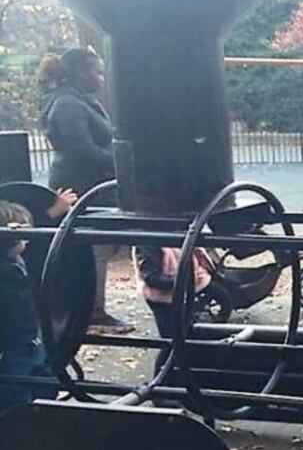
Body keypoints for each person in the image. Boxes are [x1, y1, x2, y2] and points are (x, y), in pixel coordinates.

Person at [38, 47, 133, 334]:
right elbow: (80, 149)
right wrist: (122, 164)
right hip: (80, 186)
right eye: (97, 71)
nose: (101, 78)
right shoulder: (68, 104)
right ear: (80, 72)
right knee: (95, 249)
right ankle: (92, 312)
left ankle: (91, 308)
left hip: (91, 184)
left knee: (98, 247)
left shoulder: (78, 100)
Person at [0, 198, 74, 411]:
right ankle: (16, 420)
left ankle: (42, 411)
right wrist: (7, 236)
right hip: (12, 343)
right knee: (15, 387)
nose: (27, 240)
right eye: (21, 234)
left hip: (32, 337)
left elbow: (44, 242)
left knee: (44, 379)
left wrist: (51, 214)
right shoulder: (4, 265)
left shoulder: (21, 260)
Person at [133, 245, 215, 338]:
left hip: (188, 288)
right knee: (171, 338)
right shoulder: (149, 245)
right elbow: (151, 277)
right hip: (161, 298)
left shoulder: (178, 234)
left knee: (187, 332)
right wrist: (182, 280)